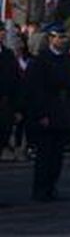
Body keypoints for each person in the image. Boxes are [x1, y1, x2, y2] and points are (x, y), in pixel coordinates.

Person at [24, 23, 70, 201]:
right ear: (50, 39)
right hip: (47, 111)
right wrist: (41, 114)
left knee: (57, 155)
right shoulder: (40, 61)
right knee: (45, 155)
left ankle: (51, 186)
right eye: (58, 37)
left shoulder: (69, 60)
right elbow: (35, 90)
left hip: (63, 111)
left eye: (64, 37)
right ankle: (40, 189)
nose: (62, 41)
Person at [0, 21, 20, 160]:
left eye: (2, 31)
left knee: (4, 132)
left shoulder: (8, 55)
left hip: (5, 103)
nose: (1, 34)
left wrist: (17, 108)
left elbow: (16, 81)